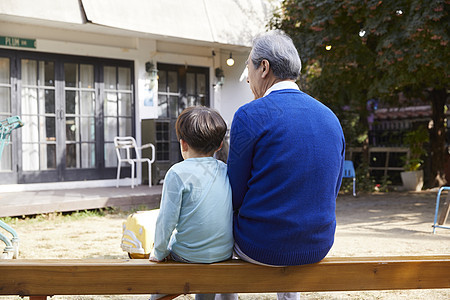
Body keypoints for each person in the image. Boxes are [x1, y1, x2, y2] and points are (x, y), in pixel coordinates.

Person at [225, 30, 345, 300]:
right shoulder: (330, 118)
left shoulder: (249, 115)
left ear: (264, 68)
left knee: (216, 224)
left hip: (260, 246)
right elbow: (332, 188)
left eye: (248, 68)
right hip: (317, 245)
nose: (247, 78)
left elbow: (233, 194)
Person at [150, 106, 234, 300]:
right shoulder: (225, 169)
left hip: (189, 255)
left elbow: (166, 220)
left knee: (175, 250)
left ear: (183, 143)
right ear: (219, 145)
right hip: (223, 252)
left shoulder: (177, 172)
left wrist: (159, 251)